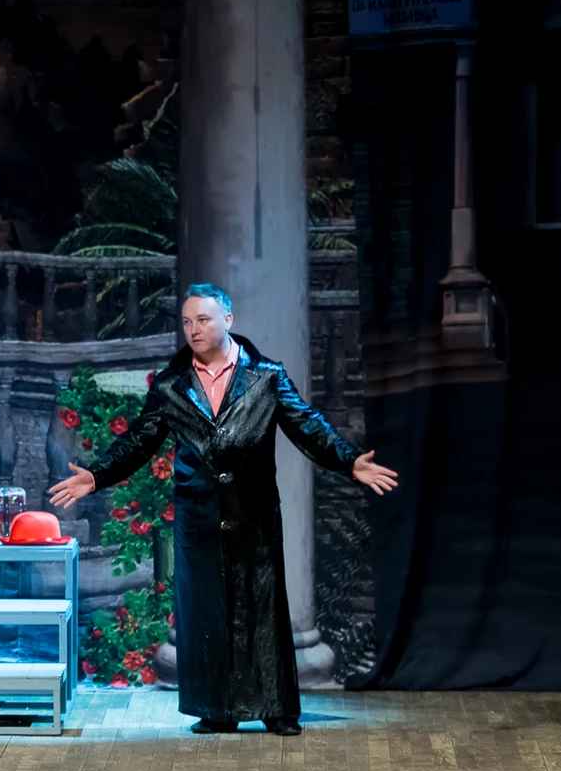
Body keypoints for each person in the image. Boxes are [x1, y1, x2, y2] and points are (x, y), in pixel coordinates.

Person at [49, 284, 398, 735]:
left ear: (228, 320)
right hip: (200, 516)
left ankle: (276, 708)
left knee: (262, 610)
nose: (193, 329)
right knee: (206, 613)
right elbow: (139, 440)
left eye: (203, 319)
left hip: (252, 513)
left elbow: (307, 425)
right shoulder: (172, 386)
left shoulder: (266, 377)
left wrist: (349, 461)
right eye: (187, 321)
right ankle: (217, 710)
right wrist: (96, 475)